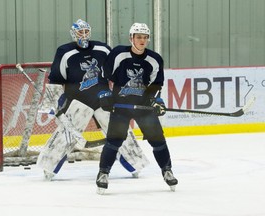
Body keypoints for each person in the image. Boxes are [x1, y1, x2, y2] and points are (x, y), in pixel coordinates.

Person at [37, 19, 149, 180]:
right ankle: (49, 166)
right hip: (77, 100)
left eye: (85, 31)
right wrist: (52, 103)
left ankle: (135, 164)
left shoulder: (102, 48)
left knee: (120, 129)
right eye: (80, 32)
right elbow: (55, 79)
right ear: (73, 33)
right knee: (66, 134)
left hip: (102, 98)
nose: (83, 35)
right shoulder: (65, 52)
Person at [96, 23, 178, 194]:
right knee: (114, 140)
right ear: (131, 38)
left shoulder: (154, 59)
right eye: (138, 37)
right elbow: (103, 76)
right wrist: (104, 94)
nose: (142, 40)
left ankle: (167, 170)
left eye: (144, 37)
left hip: (144, 107)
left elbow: (156, 85)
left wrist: (157, 101)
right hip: (121, 106)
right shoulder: (119, 54)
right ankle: (103, 173)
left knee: (158, 140)